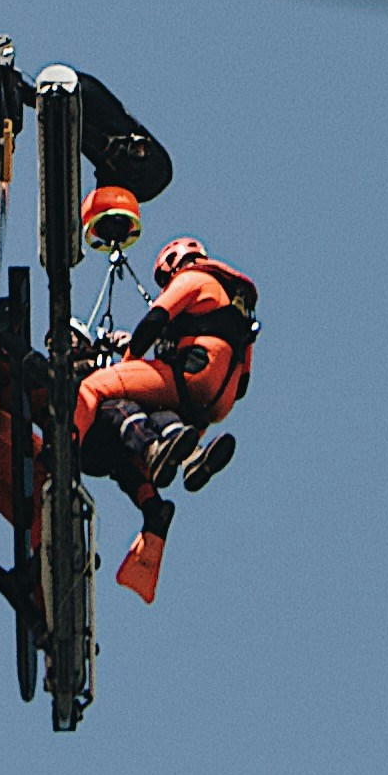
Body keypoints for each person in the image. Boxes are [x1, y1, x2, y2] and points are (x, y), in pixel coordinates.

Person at [68, 238, 259, 602]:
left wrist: (128, 360)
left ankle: (65, 448)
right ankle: (188, 461)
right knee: (147, 433)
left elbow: (154, 320)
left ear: (174, 263)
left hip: (192, 374)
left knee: (94, 389)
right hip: (215, 403)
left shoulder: (192, 279)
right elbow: (244, 384)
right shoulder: (239, 307)